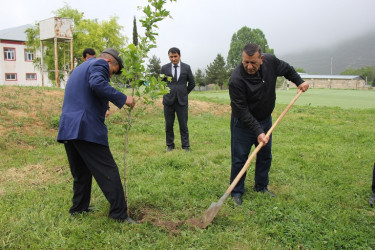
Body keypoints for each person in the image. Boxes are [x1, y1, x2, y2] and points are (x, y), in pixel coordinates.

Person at [57, 48, 137, 223]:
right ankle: (119, 215)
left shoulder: (80, 68)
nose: (111, 76)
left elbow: (86, 91)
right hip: (86, 126)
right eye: (113, 72)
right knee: (108, 170)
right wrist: (123, 99)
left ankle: (79, 208)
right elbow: (97, 84)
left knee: (81, 172)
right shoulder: (100, 63)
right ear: (109, 62)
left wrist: (104, 106)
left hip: (68, 126)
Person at [228, 43, 309, 205]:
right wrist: (258, 131)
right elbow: (241, 110)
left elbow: (287, 69)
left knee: (265, 156)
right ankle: (236, 192)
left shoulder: (270, 62)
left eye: (253, 62)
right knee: (240, 159)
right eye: (245, 62)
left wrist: (299, 81)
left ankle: (261, 186)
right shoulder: (236, 79)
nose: (249, 66)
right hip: (243, 124)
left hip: (265, 120)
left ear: (262, 59)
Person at [161, 47, 195, 152]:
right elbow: (161, 83)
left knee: (183, 125)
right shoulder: (164, 68)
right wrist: (166, 93)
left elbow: (192, 83)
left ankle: (185, 146)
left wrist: (184, 93)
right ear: (169, 57)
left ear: (179, 56)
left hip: (182, 101)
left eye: (175, 56)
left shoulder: (186, 68)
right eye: (171, 57)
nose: (173, 59)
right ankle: (170, 145)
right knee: (169, 124)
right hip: (168, 101)